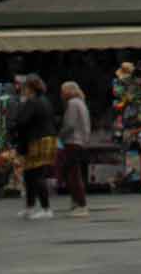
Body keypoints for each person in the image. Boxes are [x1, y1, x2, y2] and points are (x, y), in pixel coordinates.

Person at [11, 77, 57, 219]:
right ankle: (30, 207)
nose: (23, 90)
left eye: (24, 87)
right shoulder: (45, 100)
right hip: (47, 138)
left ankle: (46, 208)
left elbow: (22, 121)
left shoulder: (31, 102)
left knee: (36, 174)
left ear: (30, 88)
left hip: (37, 140)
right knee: (30, 174)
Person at [57, 81, 92, 216]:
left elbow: (70, 124)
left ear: (69, 91)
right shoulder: (81, 103)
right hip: (81, 142)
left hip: (72, 141)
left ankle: (81, 205)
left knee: (73, 174)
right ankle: (76, 202)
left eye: (63, 91)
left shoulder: (72, 103)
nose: (61, 94)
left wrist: (59, 135)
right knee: (74, 173)